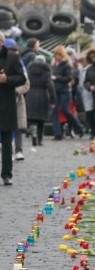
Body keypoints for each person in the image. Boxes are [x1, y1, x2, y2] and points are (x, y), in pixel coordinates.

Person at [0, 31, 26, 186]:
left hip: (5, 104)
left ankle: (6, 174)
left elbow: (22, 78)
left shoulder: (13, 57)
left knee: (7, 141)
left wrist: (6, 79)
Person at [50, 46, 84, 140]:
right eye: (56, 55)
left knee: (66, 111)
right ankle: (57, 134)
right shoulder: (55, 65)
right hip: (56, 91)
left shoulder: (67, 65)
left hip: (65, 91)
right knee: (54, 112)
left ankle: (79, 128)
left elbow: (68, 78)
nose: (57, 57)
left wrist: (56, 78)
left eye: (58, 55)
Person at [26, 54, 55, 146]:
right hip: (42, 95)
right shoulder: (46, 72)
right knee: (41, 120)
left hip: (30, 95)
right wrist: (53, 99)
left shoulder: (29, 71)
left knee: (31, 118)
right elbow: (50, 86)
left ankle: (32, 131)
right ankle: (40, 139)